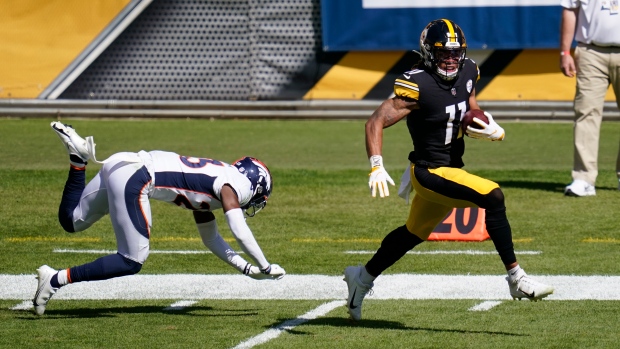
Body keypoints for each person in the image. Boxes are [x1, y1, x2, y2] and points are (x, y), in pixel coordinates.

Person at [343, 19, 554, 322]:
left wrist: (484, 124)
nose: (452, 59)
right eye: (445, 54)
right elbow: (374, 121)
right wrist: (376, 165)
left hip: (451, 168)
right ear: (429, 53)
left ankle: (360, 278)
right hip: (428, 172)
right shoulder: (417, 83)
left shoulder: (469, 71)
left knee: (412, 233)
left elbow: (469, 106)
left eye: (457, 53)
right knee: (493, 195)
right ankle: (516, 279)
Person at [33, 121, 286, 315]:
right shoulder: (237, 185)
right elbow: (239, 231)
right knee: (132, 260)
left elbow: (211, 239)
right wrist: (264, 265)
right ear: (255, 185)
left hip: (122, 162)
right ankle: (55, 279)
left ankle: (78, 160)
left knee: (71, 220)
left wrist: (247, 269)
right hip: (138, 176)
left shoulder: (217, 183)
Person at [560, 0, 620, 196]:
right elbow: (570, 9)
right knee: (586, 113)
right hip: (590, 52)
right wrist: (565, 51)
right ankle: (584, 178)